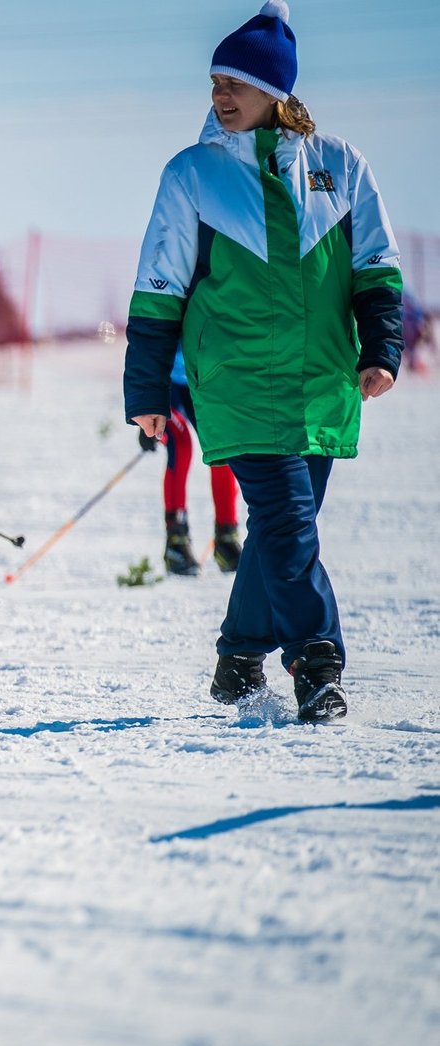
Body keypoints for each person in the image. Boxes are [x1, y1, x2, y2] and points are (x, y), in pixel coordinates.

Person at [123, 0, 403, 724]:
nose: (220, 95)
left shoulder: (341, 166)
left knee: (281, 530)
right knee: (287, 522)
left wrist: (382, 348)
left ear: (275, 91)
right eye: (215, 82)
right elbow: (157, 288)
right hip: (236, 382)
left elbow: (377, 266)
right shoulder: (192, 174)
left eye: (235, 84)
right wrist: (146, 389)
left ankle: (239, 658)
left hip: (322, 383)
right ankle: (318, 663)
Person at [138, 350, 242, 575]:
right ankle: (176, 540)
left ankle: (226, 537)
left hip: (200, 378)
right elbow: (144, 340)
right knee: (181, 443)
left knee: (222, 445)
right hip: (164, 383)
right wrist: (145, 403)